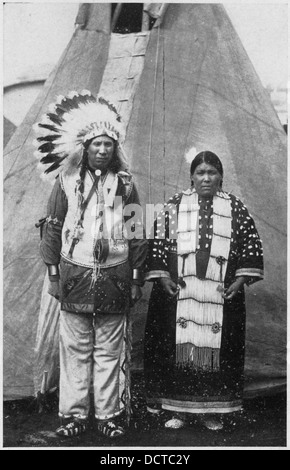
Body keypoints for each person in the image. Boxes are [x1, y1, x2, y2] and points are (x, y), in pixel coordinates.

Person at [35, 91, 147, 438]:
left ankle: (109, 415)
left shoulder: (124, 185)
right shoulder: (66, 182)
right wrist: (53, 275)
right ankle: (74, 416)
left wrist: (136, 279)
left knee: (110, 348)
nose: (102, 150)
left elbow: (137, 232)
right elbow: (52, 229)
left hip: (115, 274)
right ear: (85, 147)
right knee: (75, 348)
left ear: (116, 149)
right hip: (73, 274)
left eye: (108, 145)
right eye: (97, 144)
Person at [144, 150, 263, 431]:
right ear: (192, 177)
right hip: (180, 294)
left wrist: (238, 282)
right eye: (200, 173)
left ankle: (212, 412)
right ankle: (179, 410)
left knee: (217, 352)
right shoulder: (175, 204)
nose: (206, 178)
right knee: (179, 350)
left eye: (212, 173)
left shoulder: (235, 207)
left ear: (221, 177)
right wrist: (163, 279)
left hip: (221, 295)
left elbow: (250, 245)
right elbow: (158, 242)